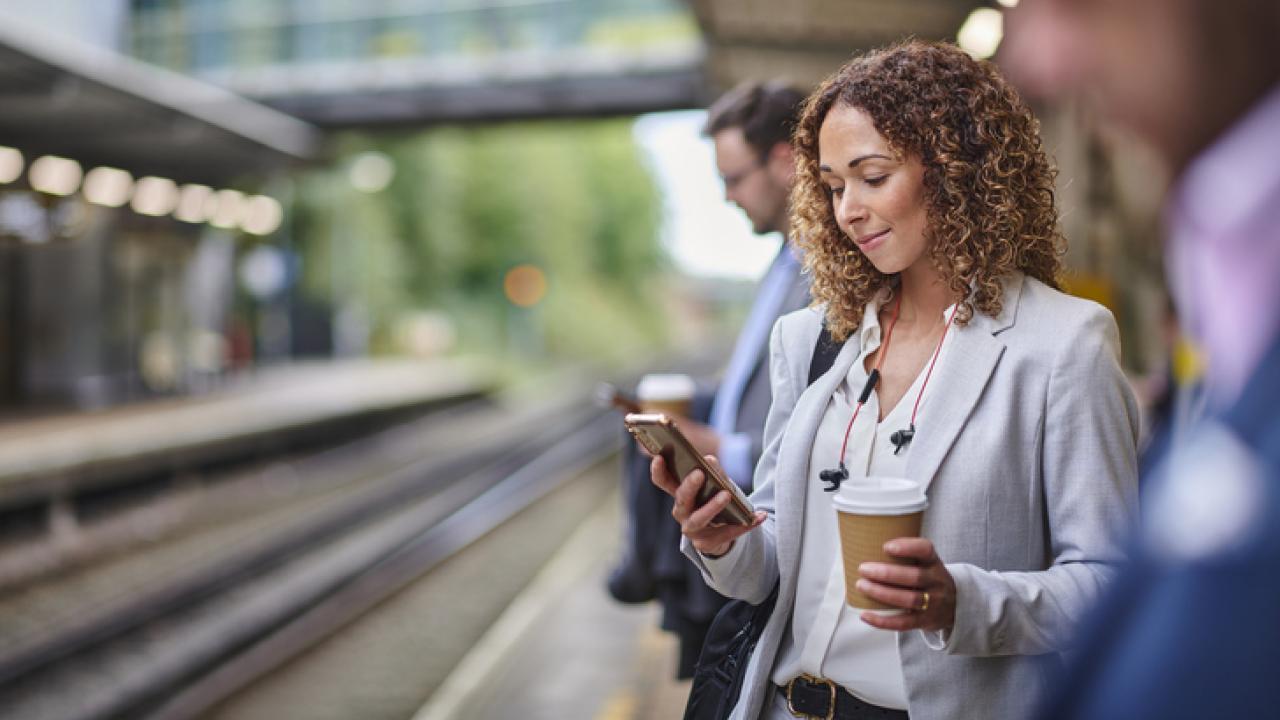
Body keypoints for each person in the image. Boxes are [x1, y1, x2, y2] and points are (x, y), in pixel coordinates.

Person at [651, 40, 1140, 719]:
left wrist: (960, 603)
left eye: (872, 176)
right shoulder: (812, 339)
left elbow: (1113, 589)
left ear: (955, 169)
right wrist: (722, 540)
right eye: (831, 186)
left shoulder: (1063, 344)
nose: (847, 209)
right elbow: (768, 570)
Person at [1001, 1, 1280, 717]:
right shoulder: (1228, 279)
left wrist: (961, 599)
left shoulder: (1071, 337)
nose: (1038, 62)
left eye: (1076, 4)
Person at [608, 81, 811, 679]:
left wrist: (727, 447)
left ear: (783, 161)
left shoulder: (823, 271)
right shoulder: (782, 263)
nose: (726, 197)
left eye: (735, 178)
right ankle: (644, 565)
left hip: (764, 520)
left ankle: (641, 567)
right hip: (738, 528)